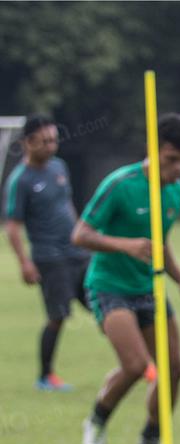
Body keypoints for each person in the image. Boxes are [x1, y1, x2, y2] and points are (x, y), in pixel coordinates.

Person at [74, 113, 180, 444]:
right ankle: (96, 422)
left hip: (148, 287)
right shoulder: (120, 184)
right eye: (171, 159)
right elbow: (80, 235)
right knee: (135, 365)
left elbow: (162, 243)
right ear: (154, 150)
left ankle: (150, 441)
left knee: (173, 368)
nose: (177, 169)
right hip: (108, 285)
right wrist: (125, 245)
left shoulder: (176, 191)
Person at [4, 116, 89, 391]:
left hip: (78, 252)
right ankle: (45, 376)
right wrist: (24, 263)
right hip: (49, 257)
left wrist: (81, 235)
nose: (52, 146)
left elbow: (68, 205)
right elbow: (13, 227)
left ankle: (137, 363)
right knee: (57, 316)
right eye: (45, 141)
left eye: (54, 140)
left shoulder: (59, 167)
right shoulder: (20, 180)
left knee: (105, 304)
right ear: (28, 143)